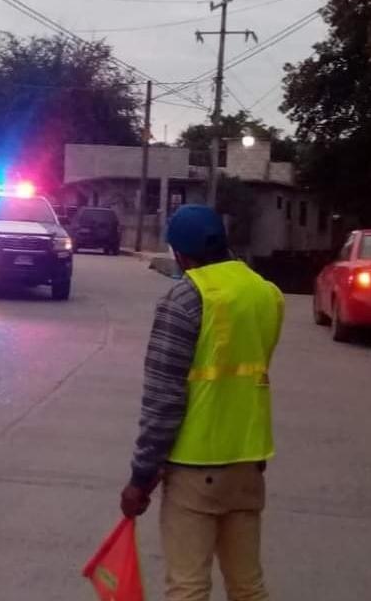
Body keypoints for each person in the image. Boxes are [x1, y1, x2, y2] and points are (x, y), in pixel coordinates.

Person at [121, 205, 284, 601]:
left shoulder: (183, 300)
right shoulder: (267, 294)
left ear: (180, 254)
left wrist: (141, 478)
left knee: (188, 588)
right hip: (248, 464)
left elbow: (163, 401)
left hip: (195, 470)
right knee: (248, 587)